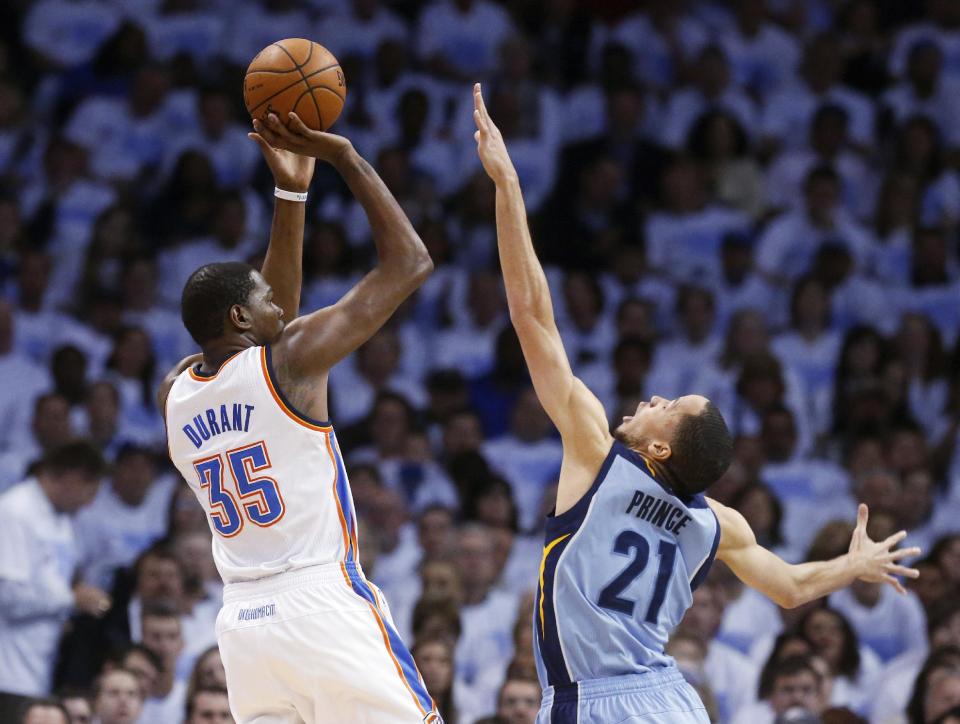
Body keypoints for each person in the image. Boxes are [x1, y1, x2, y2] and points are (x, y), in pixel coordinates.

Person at [471, 82, 921, 723]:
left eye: (669, 403)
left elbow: (531, 315)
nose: (654, 396)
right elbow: (790, 589)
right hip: (673, 702)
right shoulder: (719, 524)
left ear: (659, 446)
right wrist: (852, 564)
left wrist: (507, 185)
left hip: (593, 704)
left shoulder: (597, 455)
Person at [159, 112, 437, 723]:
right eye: (263, 302)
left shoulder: (175, 390)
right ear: (238, 318)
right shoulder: (289, 363)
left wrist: (292, 195)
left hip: (245, 628)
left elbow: (266, 320)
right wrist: (344, 157)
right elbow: (411, 262)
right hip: (321, 602)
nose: (281, 306)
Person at [0, 442, 108, 718]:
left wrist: (67, 607)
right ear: (72, 477)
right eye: (90, 489)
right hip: (9, 669)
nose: (90, 502)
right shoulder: (14, 511)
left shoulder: (60, 519)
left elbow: (52, 585)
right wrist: (71, 600)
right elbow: (8, 596)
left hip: (41, 666)